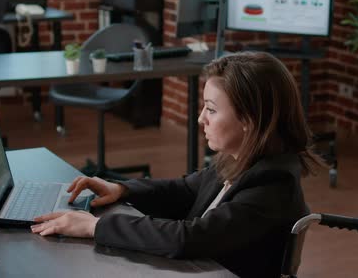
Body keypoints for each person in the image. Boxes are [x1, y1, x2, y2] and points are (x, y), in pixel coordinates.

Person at [31, 52, 326, 278]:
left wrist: (96, 227)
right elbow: (185, 190)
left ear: (250, 120)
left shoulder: (272, 185)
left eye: (211, 109)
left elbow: (189, 238)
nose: (201, 119)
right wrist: (121, 189)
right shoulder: (241, 159)